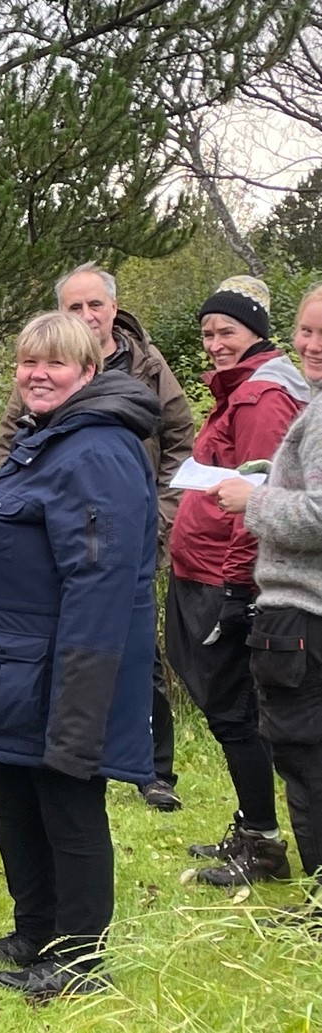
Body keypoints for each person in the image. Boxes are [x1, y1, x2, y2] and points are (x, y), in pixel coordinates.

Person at [0, 311, 161, 999]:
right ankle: (35, 931)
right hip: (11, 670)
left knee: (67, 804)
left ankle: (79, 959)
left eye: (55, 363)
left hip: (60, 671)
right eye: (29, 362)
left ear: (88, 371)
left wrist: (78, 703)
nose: (38, 374)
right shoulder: (48, 439)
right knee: (12, 796)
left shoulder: (97, 452)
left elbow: (100, 581)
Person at [0, 262, 194, 812]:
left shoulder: (148, 365)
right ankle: (58, 749)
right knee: (63, 647)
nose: (86, 314)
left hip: (130, 529)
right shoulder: (42, 370)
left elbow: (181, 444)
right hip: (57, 534)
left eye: (95, 305)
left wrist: (158, 517)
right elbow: (12, 442)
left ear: (113, 308)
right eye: (74, 306)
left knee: (136, 652)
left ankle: (152, 769)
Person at [166, 275, 310, 886]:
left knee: (233, 710)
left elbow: (261, 500)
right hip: (201, 569)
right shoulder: (239, 390)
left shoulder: (260, 398)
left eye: (227, 331)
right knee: (228, 706)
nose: (215, 344)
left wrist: (234, 590)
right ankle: (255, 827)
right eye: (207, 333)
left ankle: (263, 842)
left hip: (223, 576)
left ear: (256, 333)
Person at [208, 283, 322, 917]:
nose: (311, 345)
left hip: (305, 612)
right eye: (306, 330)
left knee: (306, 760)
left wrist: (254, 500)